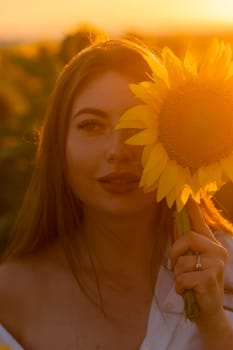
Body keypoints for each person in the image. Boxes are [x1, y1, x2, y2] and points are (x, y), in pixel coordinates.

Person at [0, 38, 233, 350]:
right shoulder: (11, 294)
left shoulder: (226, 268)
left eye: (137, 126)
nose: (117, 151)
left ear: (177, 133)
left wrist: (216, 326)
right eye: (92, 126)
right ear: (58, 146)